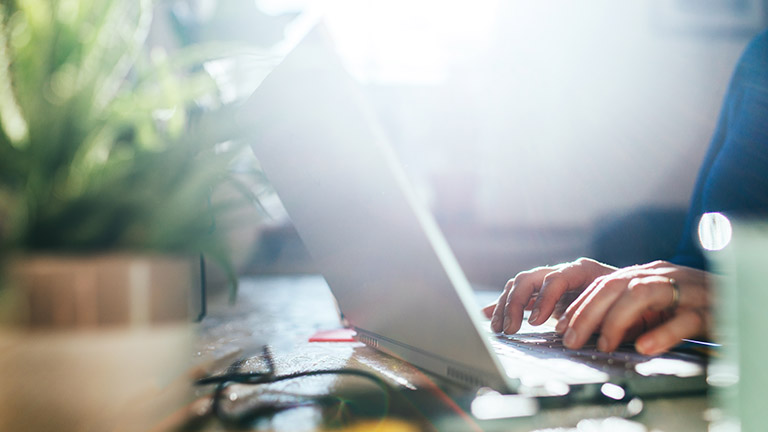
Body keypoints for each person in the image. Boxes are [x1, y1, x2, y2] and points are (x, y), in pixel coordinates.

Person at [484, 28, 768, 356]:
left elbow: (728, 293)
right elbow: (700, 262)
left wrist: (747, 303)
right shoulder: (759, 58)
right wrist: (635, 293)